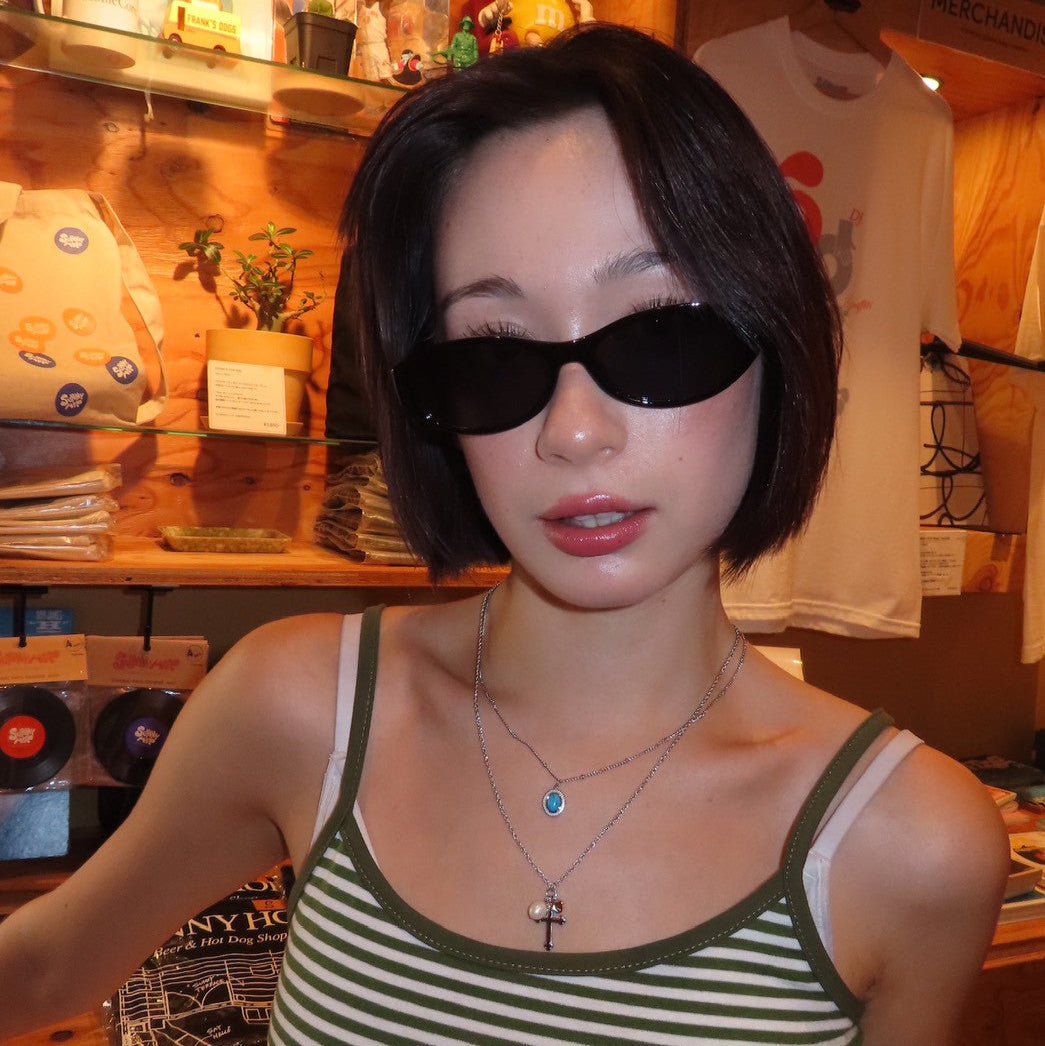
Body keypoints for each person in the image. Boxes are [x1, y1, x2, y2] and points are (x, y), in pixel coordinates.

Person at [0, 24, 1010, 1045]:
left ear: (774, 341)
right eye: (491, 353)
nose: (572, 430)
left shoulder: (911, 845)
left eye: (658, 331)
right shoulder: (295, 707)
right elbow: (42, 967)